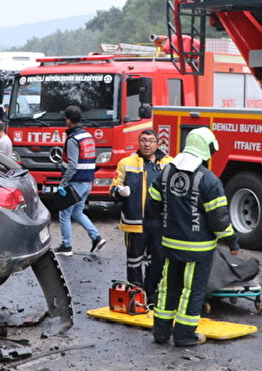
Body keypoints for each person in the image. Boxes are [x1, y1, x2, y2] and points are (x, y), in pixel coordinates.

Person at [148, 127, 239, 346]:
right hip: (198, 250)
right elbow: (219, 220)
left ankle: (160, 333)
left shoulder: (167, 172)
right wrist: (232, 240)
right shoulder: (209, 180)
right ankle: (184, 335)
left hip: (170, 244)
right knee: (192, 291)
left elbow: (152, 204)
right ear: (206, 150)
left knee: (167, 288)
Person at [111, 129, 170, 293]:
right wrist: (119, 191)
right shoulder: (126, 162)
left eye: (151, 141)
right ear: (139, 142)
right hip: (135, 222)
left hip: (159, 221)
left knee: (158, 260)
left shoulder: (168, 163)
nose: (147, 144)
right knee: (134, 261)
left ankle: (152, 294)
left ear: (157, 143)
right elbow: (113, 188)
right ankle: (136, 294)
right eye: (143, 140)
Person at [53, 104, 105, 256]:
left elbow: (72, 166)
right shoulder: (87, 136)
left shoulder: (72, 139)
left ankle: (66, 246)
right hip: (87, 182)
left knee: (64, 214)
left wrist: (63, 184)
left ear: (67, 120)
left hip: (75, 182)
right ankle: (96, 237)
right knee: (77, 212)